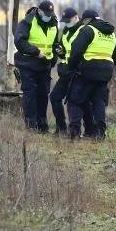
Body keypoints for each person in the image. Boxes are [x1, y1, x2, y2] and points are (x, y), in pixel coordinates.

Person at [66, 9, 116, 140]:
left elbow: (76, 51)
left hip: (86, 71)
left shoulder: (87, 30)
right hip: (105, 74)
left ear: (87, 20)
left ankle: (75, 132)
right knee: (99, 102)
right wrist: (105, 67)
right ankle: (100, 133)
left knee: (75, 100)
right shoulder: (111, 34)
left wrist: (72, 67)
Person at [13, 0, 60, 132]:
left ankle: (42, 125)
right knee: (30, 93)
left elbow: (55, 44)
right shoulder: (27, 22)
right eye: (45, 13)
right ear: (39, 11)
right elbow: (19, 41)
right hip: (27, 64)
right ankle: (31, 125)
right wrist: (36, 51)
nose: (48, 16)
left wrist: (54, 59)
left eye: (50, 14)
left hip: (44, 66)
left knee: (43, 94)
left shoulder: (53, 24)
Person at [48, 7, 83, 136]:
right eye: (65, 21)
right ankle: (61, 128)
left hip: (77, 72)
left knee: (76, 101)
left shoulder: (82, 31)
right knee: (55, 97)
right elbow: (64, 51)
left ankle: (78, 131)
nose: (67, 23)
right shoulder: (66, 32)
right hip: (66, 71)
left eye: (69, 20)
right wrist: (60, 51)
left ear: (76, 17)